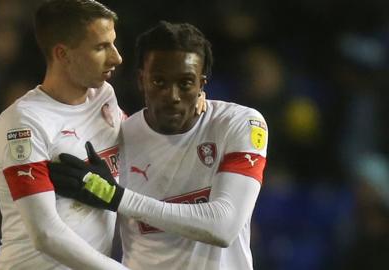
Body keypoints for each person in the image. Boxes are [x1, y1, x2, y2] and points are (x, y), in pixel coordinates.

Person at [49, 21, 268, 270]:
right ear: (142, 80)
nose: (172, 96)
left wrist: (117, 197)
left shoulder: (239, 124)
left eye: (185, 83)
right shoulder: (117, 139)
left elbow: (224, 227)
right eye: (159, 82)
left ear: (201, 84)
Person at [0, 0, 129, 269]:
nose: (116, 57)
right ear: (63, 54)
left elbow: (143, 142)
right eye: (101, 47)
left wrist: (194, 107)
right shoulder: (24, 123)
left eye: (113, 43)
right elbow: (46, 234)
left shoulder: (104, 97)